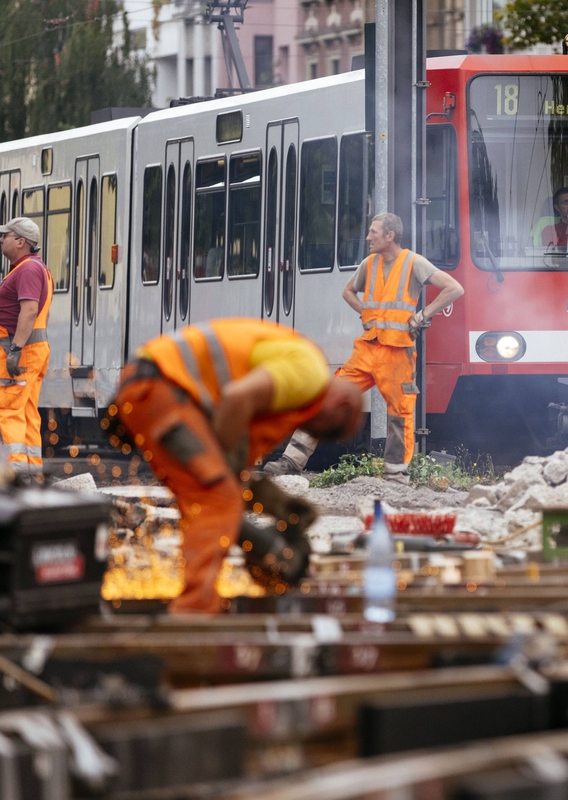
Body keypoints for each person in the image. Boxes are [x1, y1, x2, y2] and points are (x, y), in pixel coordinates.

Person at [115, 318, 364, 613]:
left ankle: (197, 601)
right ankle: (194, 613)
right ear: (341, 405)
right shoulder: (309, 375)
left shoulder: (291, 391)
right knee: (216, 500)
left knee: (210, 499)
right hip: (162, 387)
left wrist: (268, 501)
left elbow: (233, 449)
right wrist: (228, 485)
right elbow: (236, 399)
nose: (314, 434)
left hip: (156, 387)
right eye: (328, 431)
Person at [266, 213, 464, 482]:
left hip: (397, 352)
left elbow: (454, 288)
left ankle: (396, 477)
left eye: (374, 232)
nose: (368, 237)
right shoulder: (369, 264)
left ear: (390, 236)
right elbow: (348, 291)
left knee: (400, 414)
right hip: (367, 348)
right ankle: (291, 461)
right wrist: (366, 313)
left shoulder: (413, 263)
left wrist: (421, 316)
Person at [0, 218, 52, 473]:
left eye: (6, 235)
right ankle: (31, 476)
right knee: (25, 413)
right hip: (30, 354)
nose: (1, 239)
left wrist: (14, 350)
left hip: (20, 355)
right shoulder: (34, 268)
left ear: (21, 242)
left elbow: (29, 311)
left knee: (9, 412)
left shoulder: (27, 270)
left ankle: (14, 478)